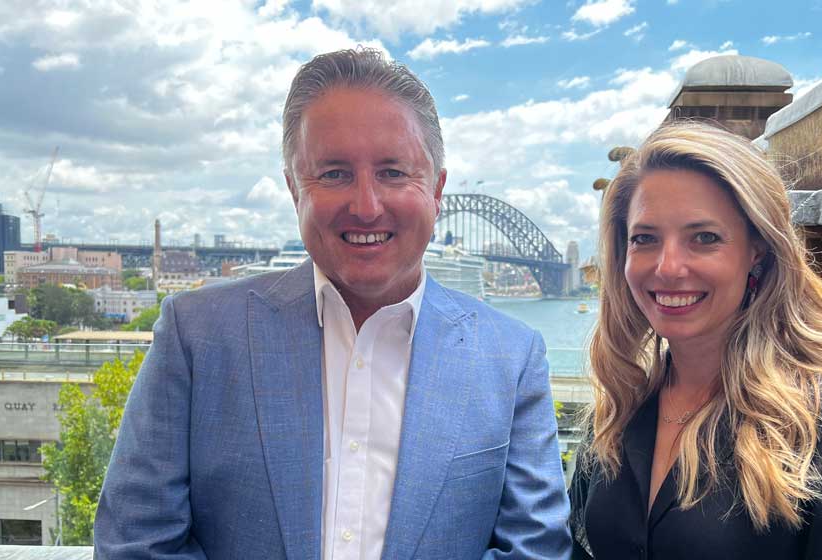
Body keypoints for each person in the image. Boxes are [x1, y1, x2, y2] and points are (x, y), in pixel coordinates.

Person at [94, 48, 571, 559]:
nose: (366, 206)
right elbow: (136, 543)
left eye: (393, 172)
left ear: (437, 190)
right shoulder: (196, 335)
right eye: (334, 174)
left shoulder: (512, 357)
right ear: (293, 189)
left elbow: (535, 549)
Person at [569, 121, 822, 559]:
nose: (668, 267)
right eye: (645, 239)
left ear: (758, 251)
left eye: (704, 238)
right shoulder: (619, 414)